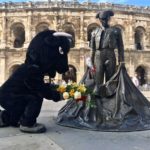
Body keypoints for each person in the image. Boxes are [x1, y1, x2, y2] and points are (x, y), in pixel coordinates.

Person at [0, 30, 72, 133]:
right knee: (36, 97)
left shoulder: (34, 68)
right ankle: (27, 124)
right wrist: (56, 95)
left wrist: (54, 89)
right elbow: (40, 88)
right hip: (9, 97)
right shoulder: (33, 69)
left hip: (8, 96)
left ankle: (4, 118)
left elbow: (43, 84)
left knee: (23, 104)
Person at [90, 10, 124, 96]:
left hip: (110, 54)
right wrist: (90, 62)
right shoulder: (94, 32)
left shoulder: (116, 31)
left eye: (106, 19)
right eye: (102, 19)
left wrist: (121, 61)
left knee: (111, 78)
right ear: (99, 19)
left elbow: (121, 47)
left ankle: (110, 98)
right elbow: (92, 49)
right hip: (98, 55)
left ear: (109, 18)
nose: (104, 21)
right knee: (98, 79)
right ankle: (98, 98)